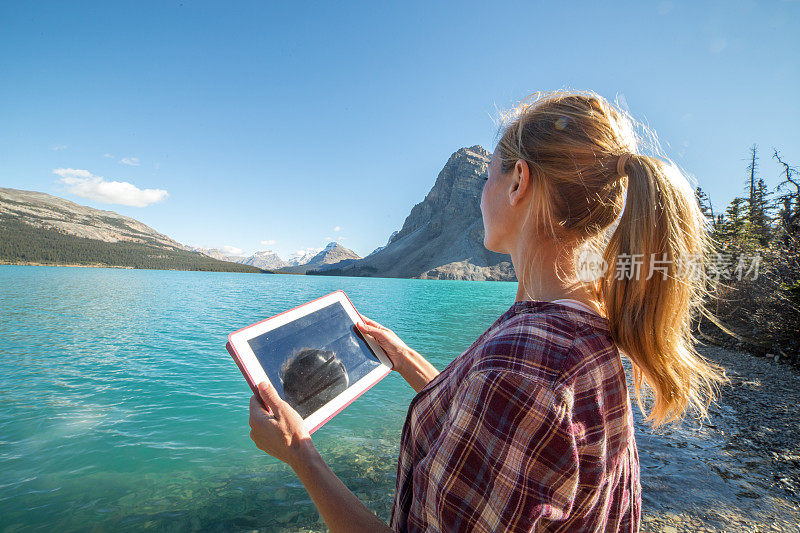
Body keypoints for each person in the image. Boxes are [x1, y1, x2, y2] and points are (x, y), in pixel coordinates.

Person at [246, 89, 730, 532]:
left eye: (488, 176)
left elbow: (506, 392)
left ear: (519, 180)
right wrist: (405, 359)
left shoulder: (520, 366)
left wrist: (301, 455)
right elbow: (497, 429)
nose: (481, 194)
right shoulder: (587, 326)